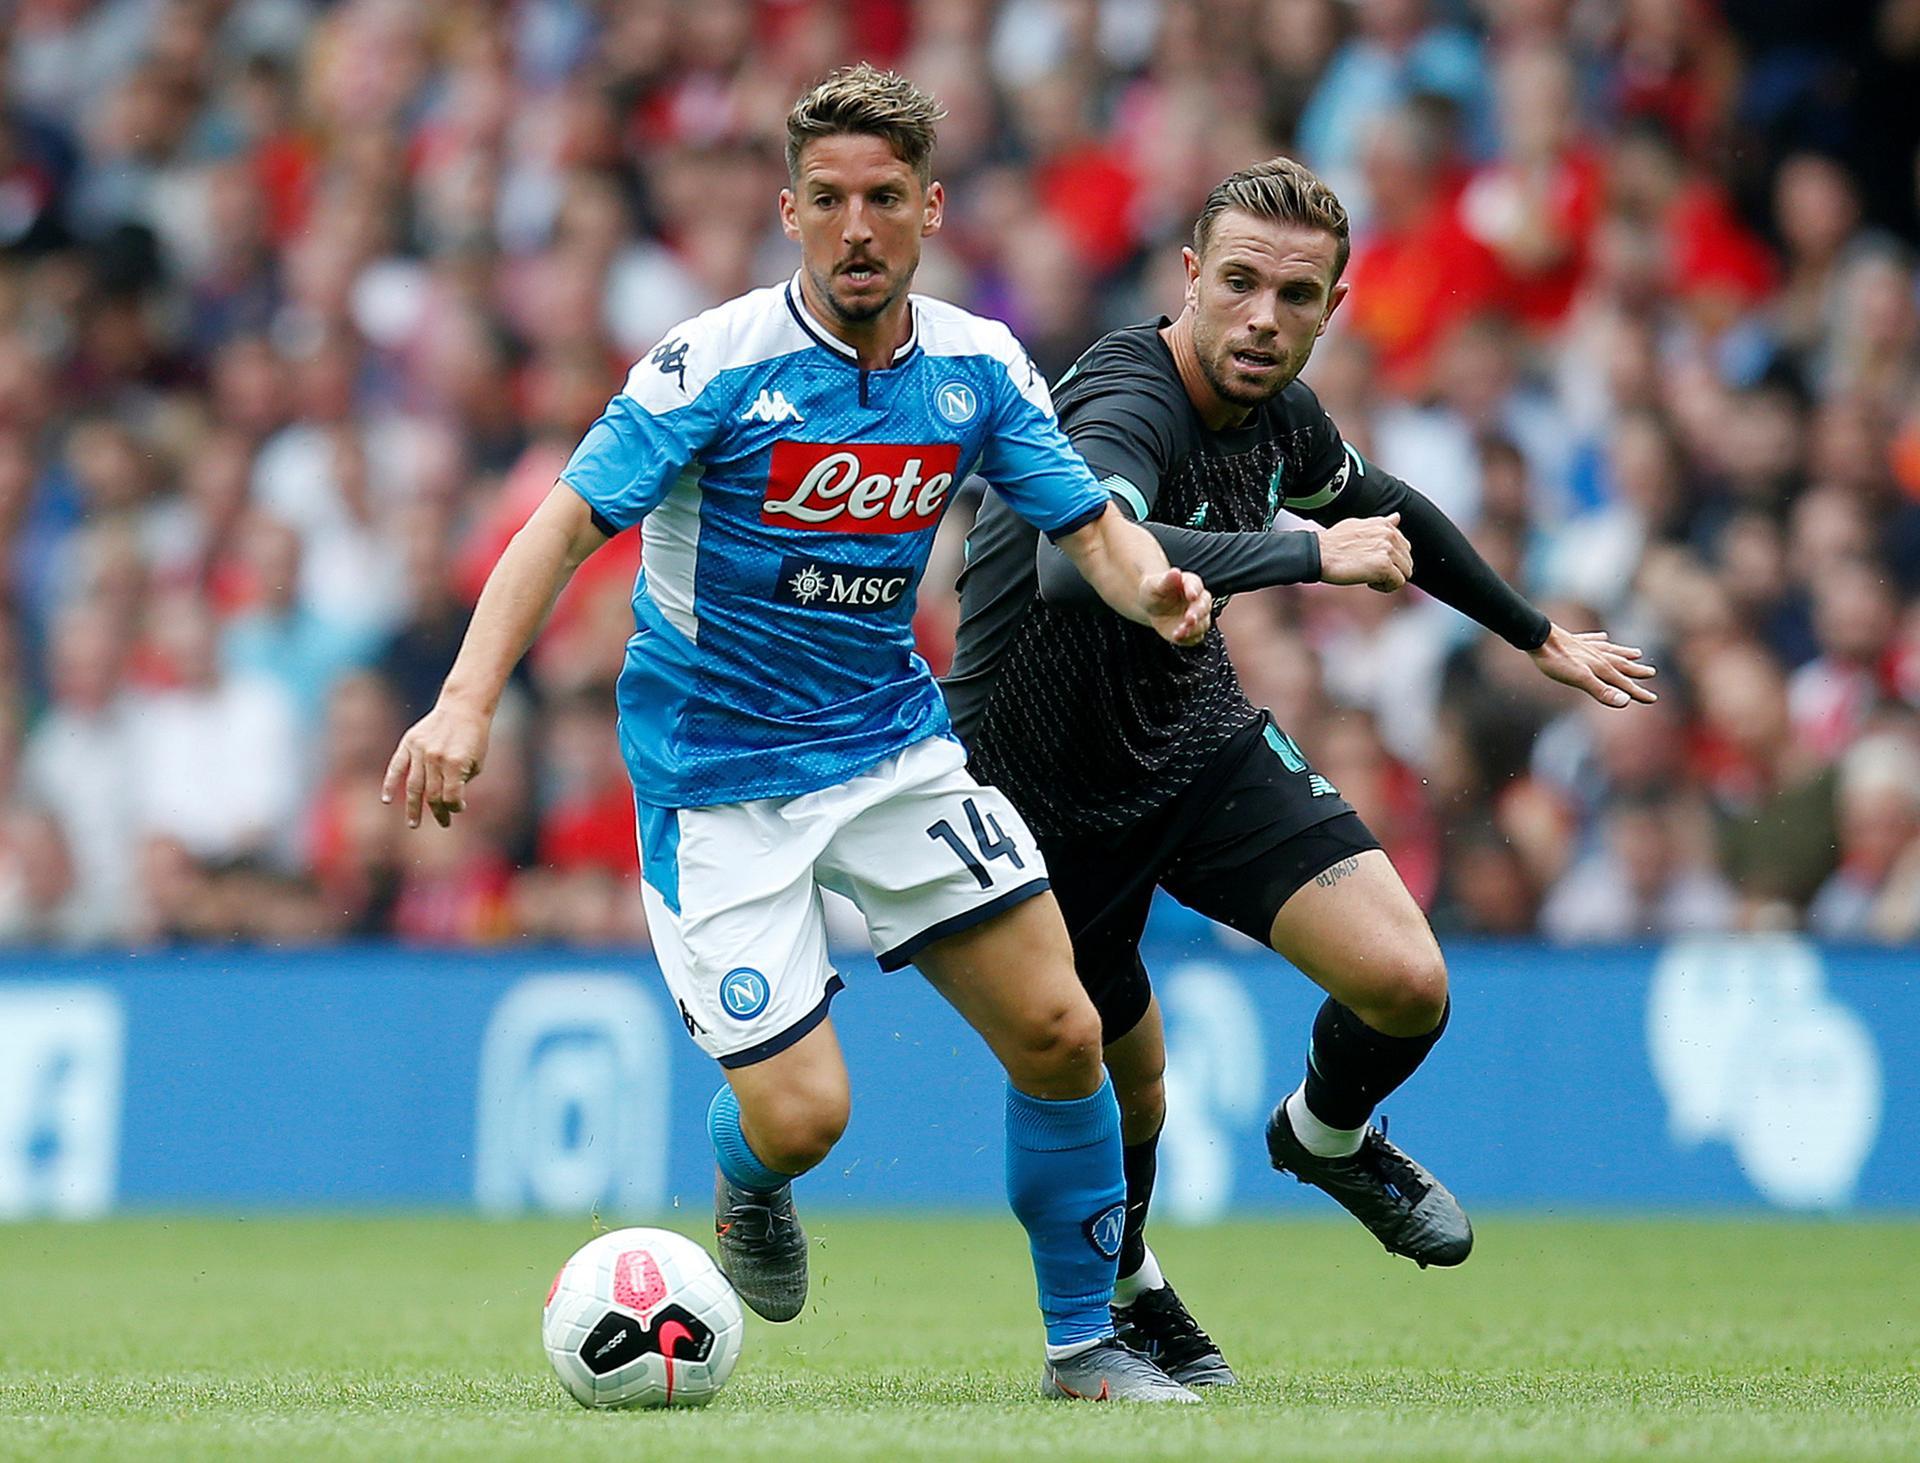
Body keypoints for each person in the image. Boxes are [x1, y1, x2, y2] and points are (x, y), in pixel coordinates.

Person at [382, 66, 1213, 1404]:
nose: (859, 227)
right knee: (805, 1113)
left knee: (1065, 1028)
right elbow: (560, 523)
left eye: (886, 198)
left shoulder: (978, 365)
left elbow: (1091, 531)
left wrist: (1155, 589)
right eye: (829, 200)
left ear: (931, 209)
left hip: (890, 751)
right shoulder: (711, 364)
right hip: (717, 782)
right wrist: (468, 697)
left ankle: (1087, 1348)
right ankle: (749, 1178)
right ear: (790, 212)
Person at [944, 156, 1657, 1387]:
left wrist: (1538, 636)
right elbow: (1078, 561)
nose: (1263, 318)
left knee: (1406, 981)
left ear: (1335, 304)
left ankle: (1325, 1135)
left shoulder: (1283, 414)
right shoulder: (1127, 398)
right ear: (1189, 278)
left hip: (1192, 736)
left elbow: (1391, 509)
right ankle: (1127, 1294)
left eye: (1297, 294)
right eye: (1238, 283)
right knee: (1133, 1100)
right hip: (1038, 789)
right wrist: (1304, 551)